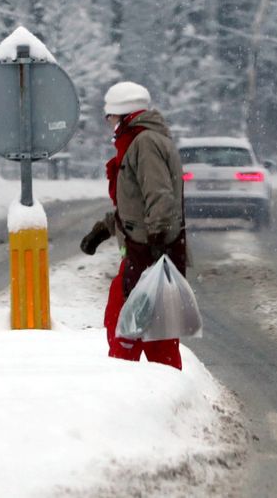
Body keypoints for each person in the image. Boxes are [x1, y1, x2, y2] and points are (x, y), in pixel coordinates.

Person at [80, 81, 187, 369]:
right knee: (155, 334)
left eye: (110, 117)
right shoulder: (143, 141)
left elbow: (159, 196)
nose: (109, 123)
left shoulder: (145, 143)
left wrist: (155, 245)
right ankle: (163, 392)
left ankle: (126, 390)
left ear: (124, 115)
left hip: (149, 253)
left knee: (125, 326)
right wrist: (105, 229)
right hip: (148, 250)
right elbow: (135, 203)